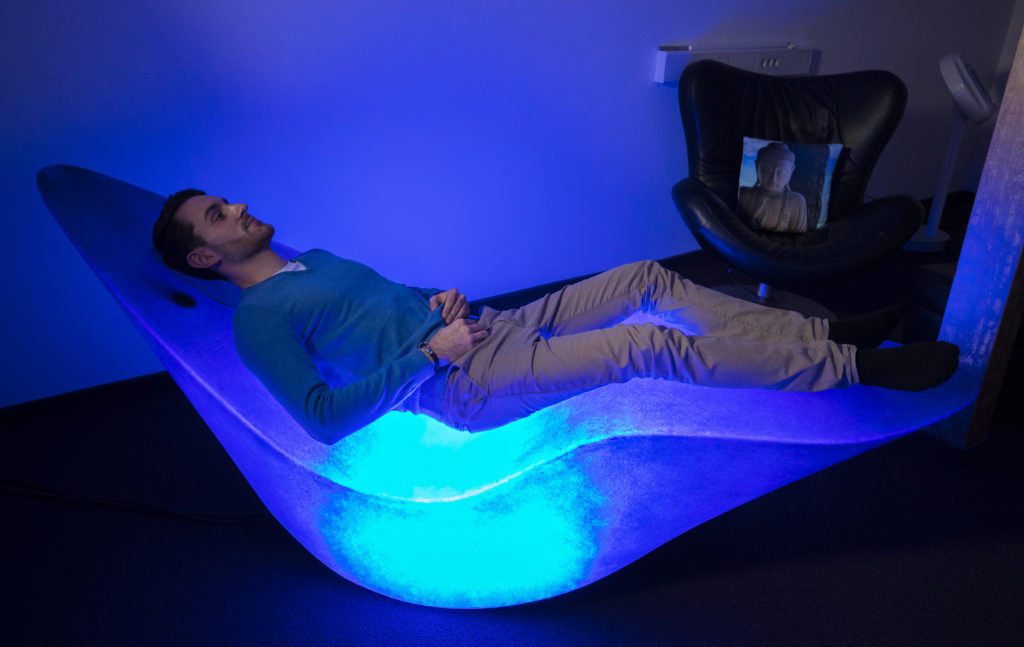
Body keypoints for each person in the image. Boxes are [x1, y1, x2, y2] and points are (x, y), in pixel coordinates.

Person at [152, 190, 960, 444]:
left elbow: (390, 303)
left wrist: (437, 298)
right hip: (465, 381)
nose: (238, 207)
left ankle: (818, 333)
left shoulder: (314, 261)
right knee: (647, 345)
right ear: (203, 257)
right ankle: (856, 365)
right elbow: (324, 420)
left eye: (227, 200)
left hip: (489, 327)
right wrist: (432, 353)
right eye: (219, 216)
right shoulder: (257, 319)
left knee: (647, 278)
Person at [738, 142, 808, 233]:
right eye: (767, 170)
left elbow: (798, 236)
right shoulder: (744, 194)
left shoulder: (796, 201)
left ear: (791, 172)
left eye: (781, 172)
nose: (773, 178)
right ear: (757, 166)